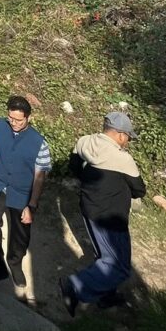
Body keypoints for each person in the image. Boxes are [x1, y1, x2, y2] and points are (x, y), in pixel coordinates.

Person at [59, 113, 146, 316]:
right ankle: (75, 285)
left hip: (89, 209)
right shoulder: (123, 159)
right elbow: (139, 189)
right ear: (120, 135)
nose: (127, 142)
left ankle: (106, 296)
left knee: (104, 255)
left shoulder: (84, 142)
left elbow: (74, 166)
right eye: (128, 137)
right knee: (119, 266)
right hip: (111, 218)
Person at [0, 96, 50, 293]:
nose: (14, 123)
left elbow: (39, 177)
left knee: (20, 235)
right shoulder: (0, 125)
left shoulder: (39, 143)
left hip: (21, 193)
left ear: (28, 118)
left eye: (19, 120)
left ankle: (15, 263)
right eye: (11, 118)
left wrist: (32, 205)